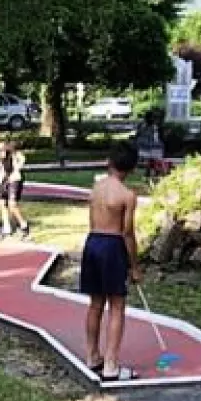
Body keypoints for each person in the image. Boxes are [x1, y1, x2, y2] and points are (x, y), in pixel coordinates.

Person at [80, 141, 142, 382]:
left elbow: (91, 220)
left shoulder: (96, 188)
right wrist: (134, 266)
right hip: (112, 246)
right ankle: (111, 366)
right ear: (132, 168)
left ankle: (92, 356)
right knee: (117, 305)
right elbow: (127, 233)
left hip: (92, 242)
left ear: (109, 162)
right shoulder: (127, 195)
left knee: (95, 303)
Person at [0, 142, 30, 238]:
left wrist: (15, 156)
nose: (0, 153)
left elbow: (21, 163)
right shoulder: (2, 159)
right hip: (6, 180)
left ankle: (24, 225)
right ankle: (7, 227)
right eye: (0, 151)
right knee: (2, 203)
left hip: (15, 180)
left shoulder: (15, 156)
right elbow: (2, 172)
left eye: (3, 150)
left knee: (12, 205)